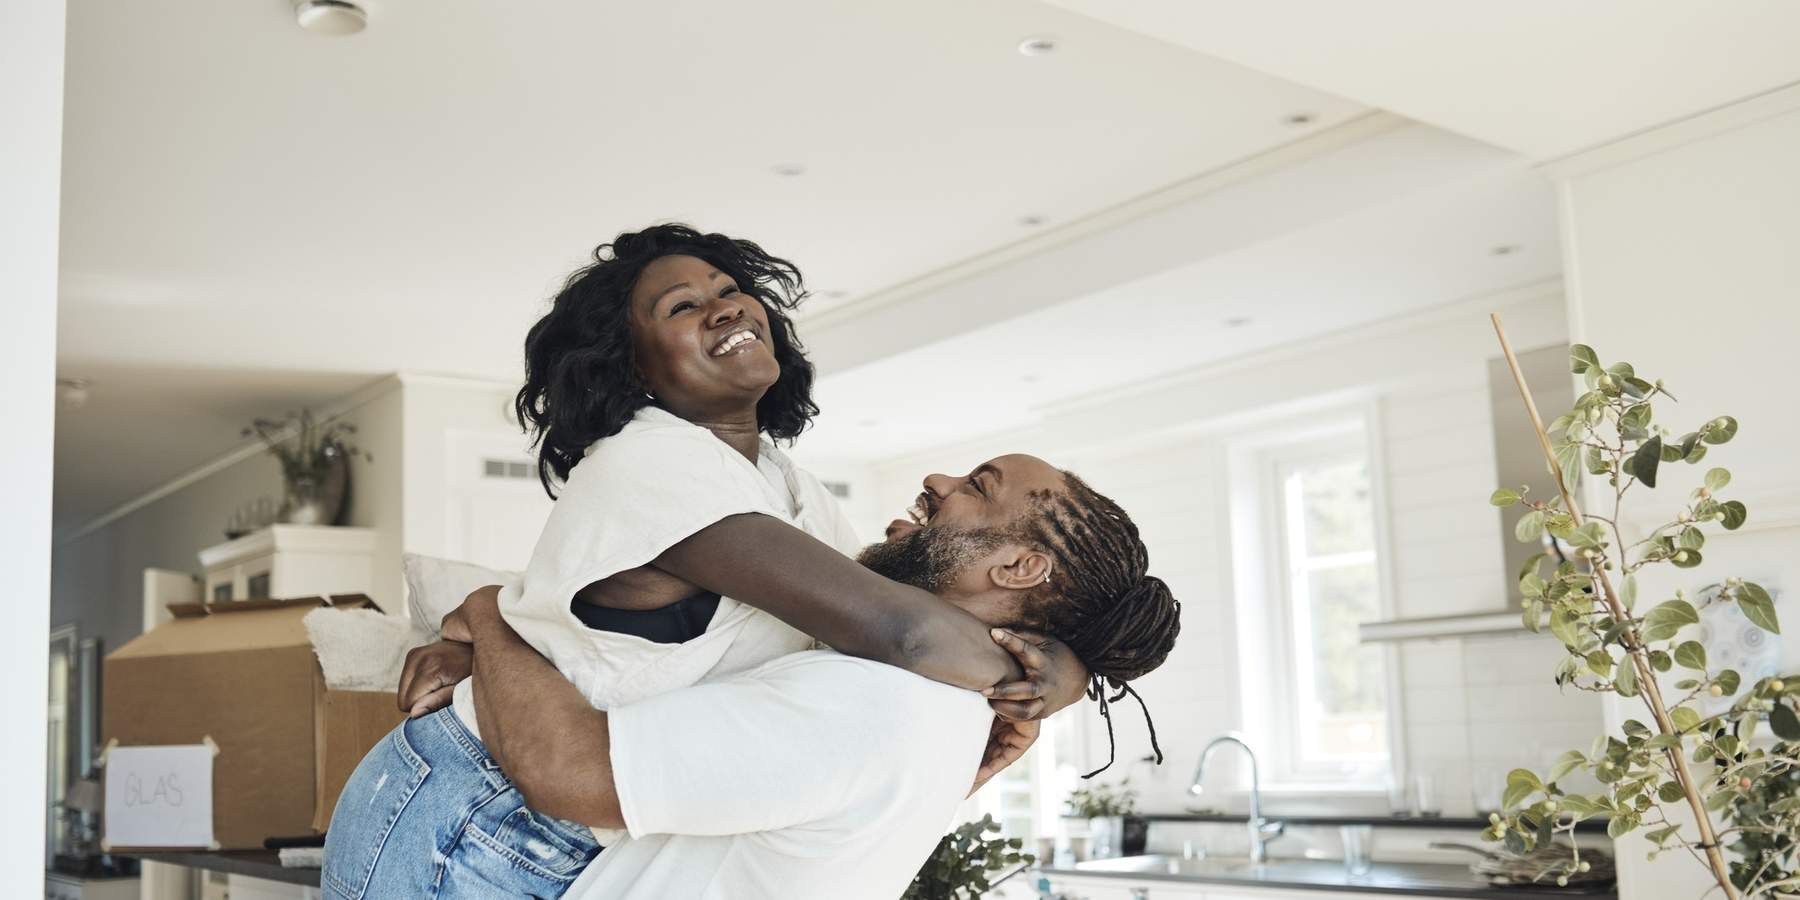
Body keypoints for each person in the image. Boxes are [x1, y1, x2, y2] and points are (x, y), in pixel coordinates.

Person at [321, 225, 1088, 900]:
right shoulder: (649, 466)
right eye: (681, 307)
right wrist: (1056, 671)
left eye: (728, 290)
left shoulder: (788, 485)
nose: (726, 308)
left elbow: (877, 637)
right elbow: (907, 635)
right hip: (471, 810)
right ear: (632, 369)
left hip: (570, 826)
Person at [437, 452, 1183, 899]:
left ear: (1019, 566)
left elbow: (564, 771)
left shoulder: (873, 699)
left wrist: (489, 615)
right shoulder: (944, 703)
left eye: (978, 484)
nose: (937, 476)